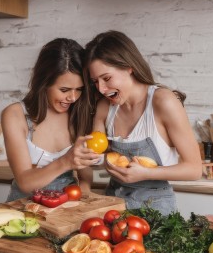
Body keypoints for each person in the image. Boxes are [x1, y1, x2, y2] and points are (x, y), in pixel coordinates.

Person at [83, 30, 202, 215]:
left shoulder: (163, 102)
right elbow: (98, 156)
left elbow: (194, 169)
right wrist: (95, 158)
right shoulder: (104, 108)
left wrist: (146, 173)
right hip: (113, 206)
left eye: (106, 78)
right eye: (95, 82)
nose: (102, 89)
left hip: (157, 211)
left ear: (128, 66)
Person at [1, 38, 100, 201]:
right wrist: (66, 161)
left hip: (67, 210)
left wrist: (82, 198)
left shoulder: (79, 113)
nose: (73, 98)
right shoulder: (15, 115)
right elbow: (25, 182)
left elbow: (85, 174)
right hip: (23, 210)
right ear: (44, 82)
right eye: (64, 89)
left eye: (79, 89)